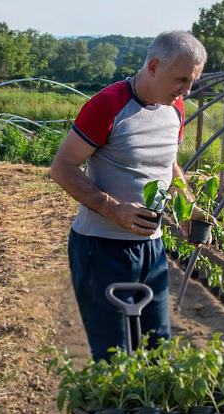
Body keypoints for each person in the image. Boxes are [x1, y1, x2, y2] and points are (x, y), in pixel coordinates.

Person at [50, 30, 207, 361]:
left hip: (152, 248)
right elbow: (62, 168)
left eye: (192, 81)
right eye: (181, 80)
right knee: (114, 356)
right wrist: (113, 209)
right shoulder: (108, 105)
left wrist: (189, 207)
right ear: (153, 66)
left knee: (157, 349)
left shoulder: (175, 107)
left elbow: (170, 165)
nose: (187, 91)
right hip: (102, 249)